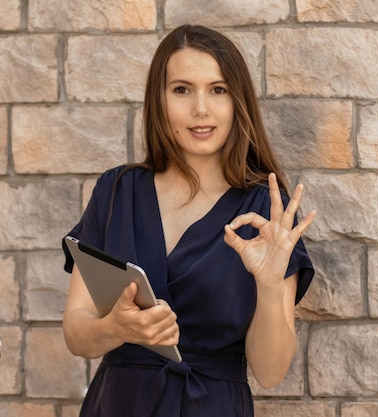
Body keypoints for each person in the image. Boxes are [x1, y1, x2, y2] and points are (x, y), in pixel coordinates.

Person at [61, 25, 316, 417]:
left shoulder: (265, 210)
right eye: (181, 89)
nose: (201, 109)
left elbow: (270, 371)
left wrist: (267, 286)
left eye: (218, 90)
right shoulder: (116, 191)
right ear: (158, 99)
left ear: (237, 101)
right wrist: (118, 328)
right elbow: (77, 333)